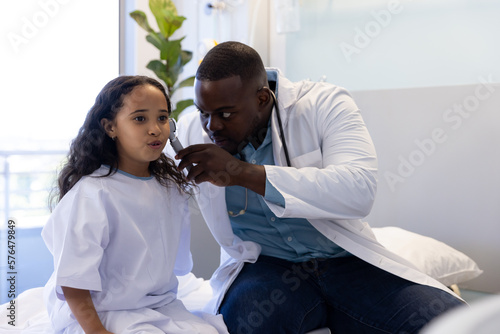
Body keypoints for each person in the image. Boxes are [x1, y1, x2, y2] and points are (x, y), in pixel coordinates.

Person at [173, 41, 464, 334]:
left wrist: (244, 174)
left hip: (345, 262)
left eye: (225, 114)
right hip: (265, 268)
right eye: (203, 113)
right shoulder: (190, 132)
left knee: (453, 323)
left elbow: (358, 189)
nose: (212, 127)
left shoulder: (323, 104)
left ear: (262, 99)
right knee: (252, 320)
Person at [42, 76, 226, 334]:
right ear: (110, 127)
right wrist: (97, 331)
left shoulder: (168, 186)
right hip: (103, 310)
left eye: (162, 118)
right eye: (140, 118)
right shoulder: (92, 195)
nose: (155, 129)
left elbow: (172, 262)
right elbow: (73, 282)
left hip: (158, 304)